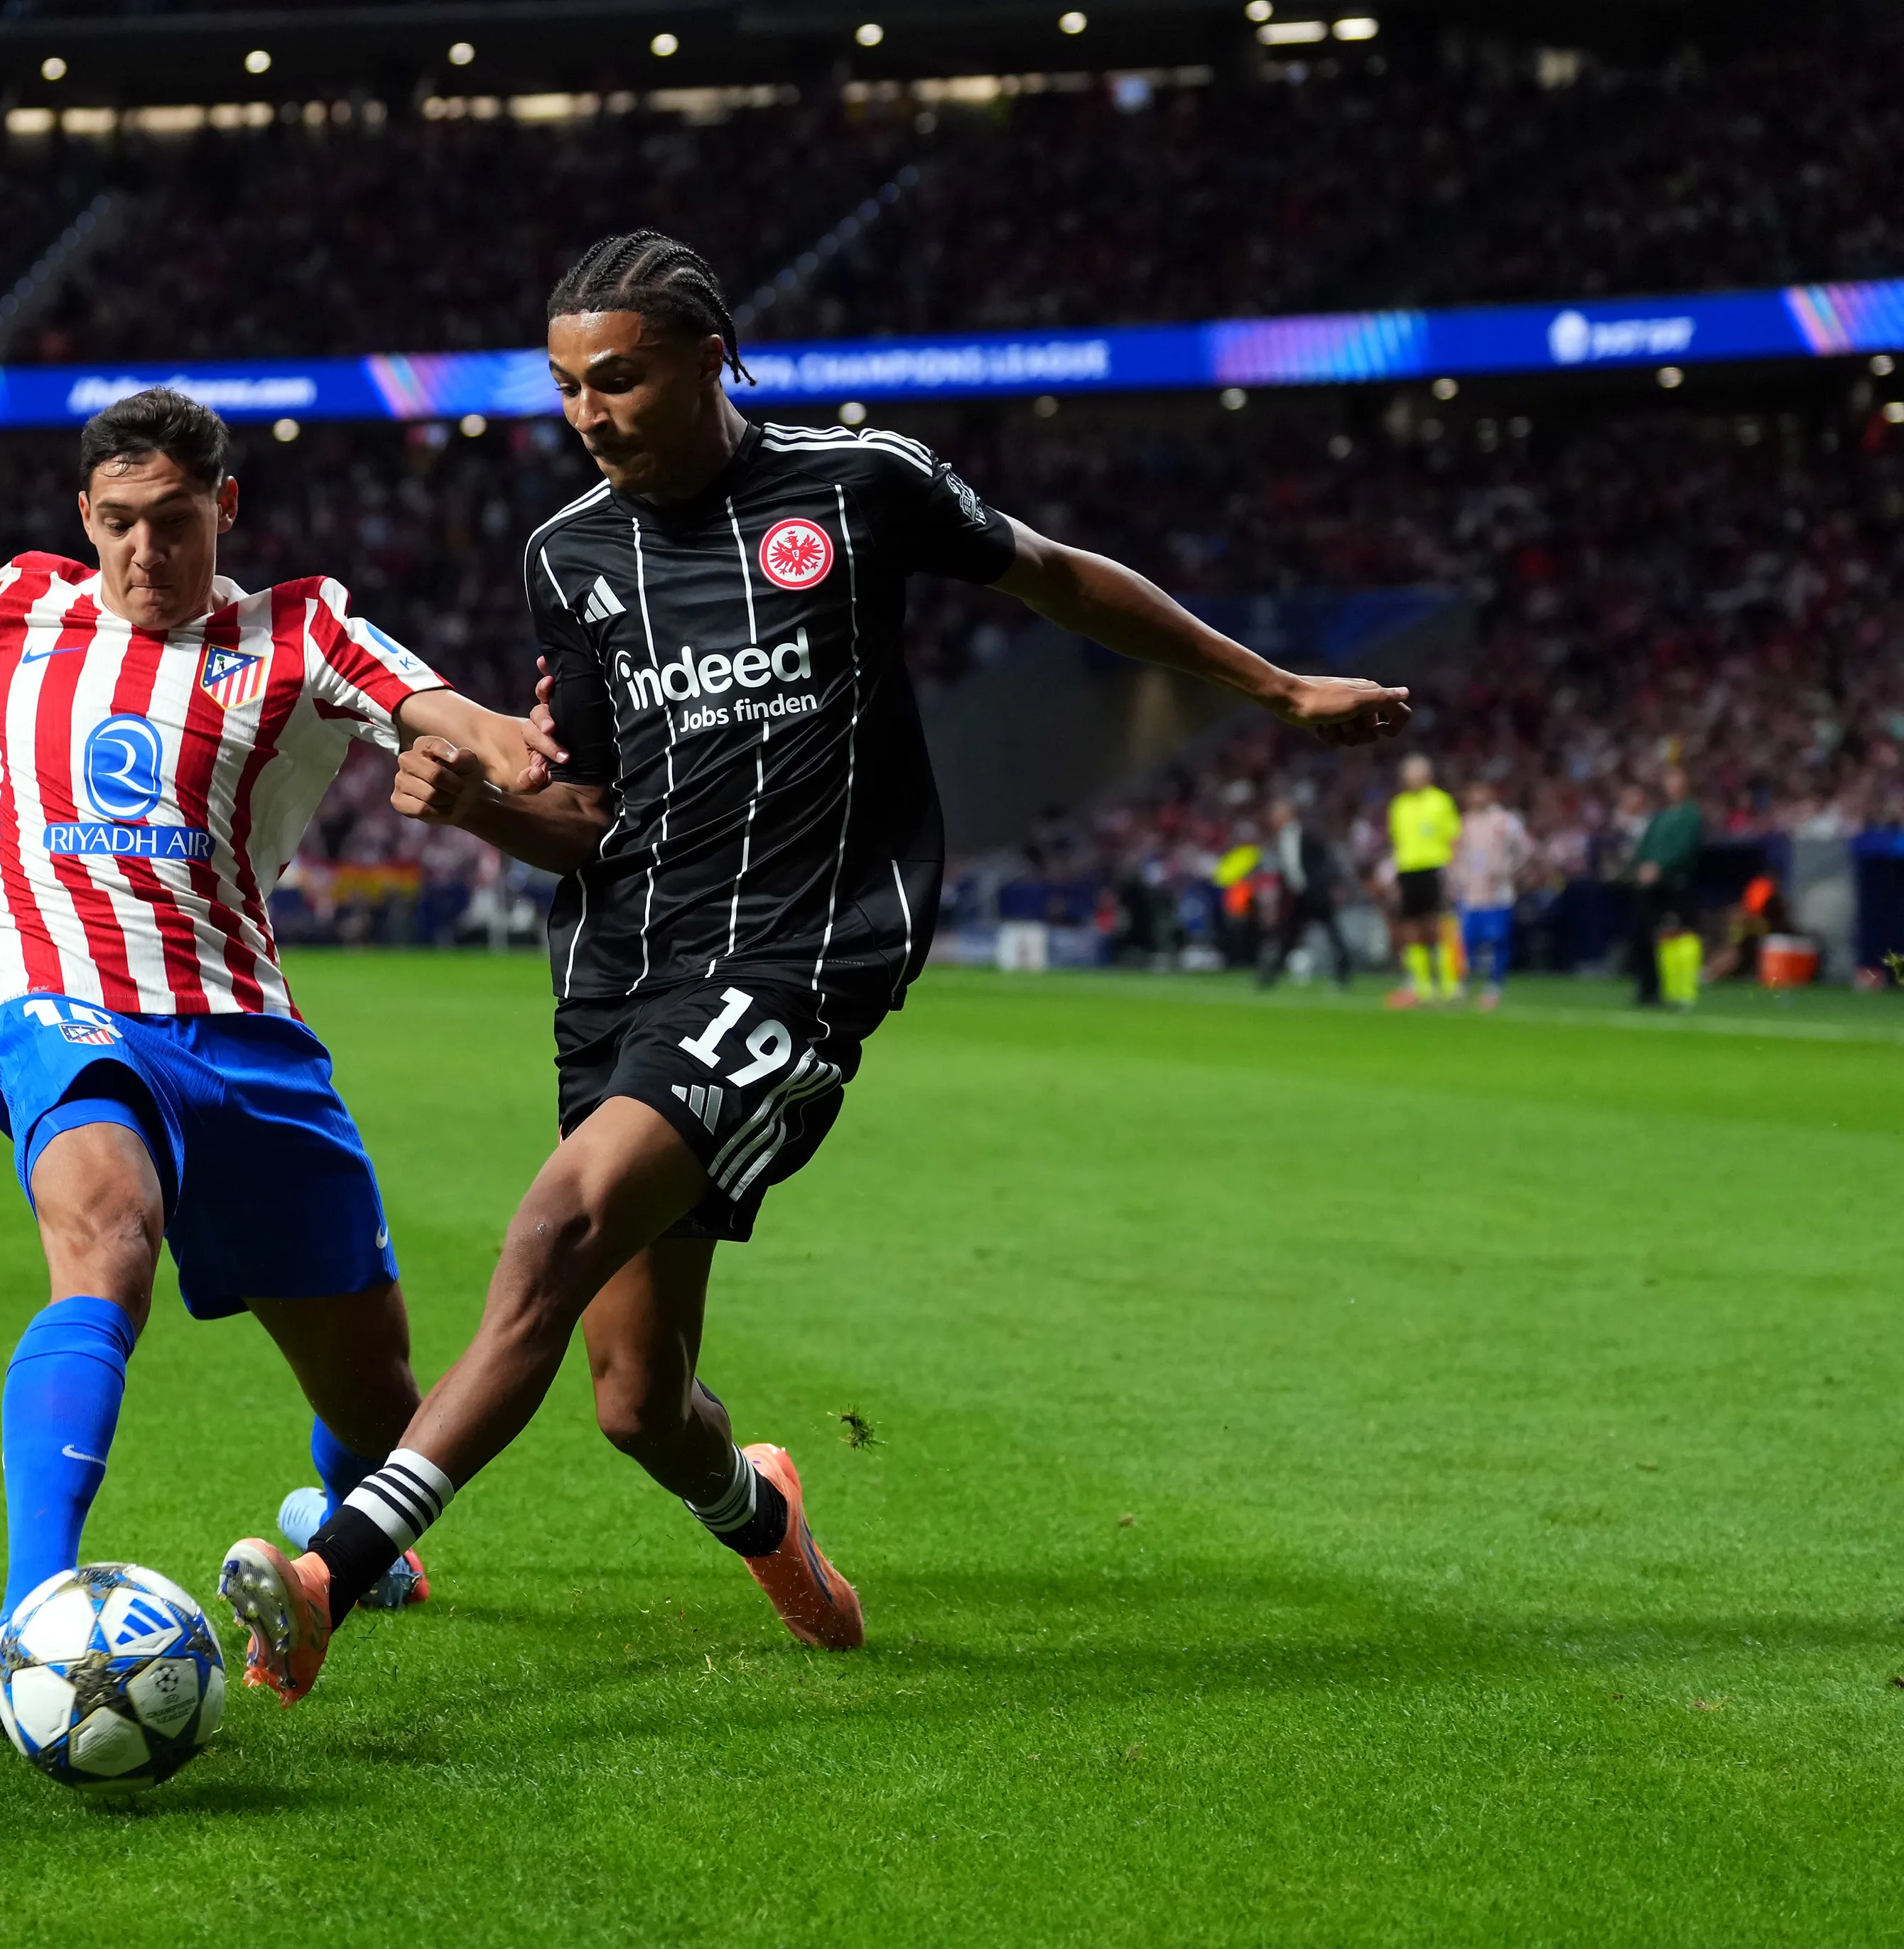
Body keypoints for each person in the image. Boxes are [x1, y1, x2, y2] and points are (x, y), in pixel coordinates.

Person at [215, 231, 1414, 1702]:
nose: (590, 414)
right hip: (620, 973)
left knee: (550, 1232)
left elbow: (1056, 579)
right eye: (568, 389)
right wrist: (480, 808)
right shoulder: (566, 558)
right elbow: (589, 819)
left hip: (799, 960)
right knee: (638, 1402)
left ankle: (332, 1570)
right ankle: (768, 1518)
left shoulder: (859, 486)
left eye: (622, 379)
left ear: (715, 357)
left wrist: (1278, 686)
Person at [0, 389, 562, 1713]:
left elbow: (429, 701)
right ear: (84, 518)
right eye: (117, 524)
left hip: (246, 1038)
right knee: (105, 1236)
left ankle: (354, 1539)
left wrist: (503, 743)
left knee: (379, 1404)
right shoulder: (14, 607)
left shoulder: (295, 628)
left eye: (172, 524)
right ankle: (31, 1623)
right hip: (64, 1008)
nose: (143, 552)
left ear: (222, 510)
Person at [1382, 752, 1461, 1009]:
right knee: (1411, 928)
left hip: (1434, 868)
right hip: (1408, 870)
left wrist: (1454, 870)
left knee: (1439, 925)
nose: (1412, 780)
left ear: (1428, 776)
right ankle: (1422, 985)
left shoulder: (1441, 802)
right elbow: (1397, 841)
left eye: (1417, 774)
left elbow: (1454, 838)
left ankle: (1450, 984)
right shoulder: (1399, 805)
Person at [1449, 778, 1534, 1010]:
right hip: (1470, 891)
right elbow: (1455, 853)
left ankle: (1493, 987)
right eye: (1473, 793)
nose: (1477, 798)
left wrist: (1510, 870)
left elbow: (1526, 848)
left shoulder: (1505, 821)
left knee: (1498, 939)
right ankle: (1462, 984)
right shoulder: (1463, 822)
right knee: (1466, 941)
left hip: (1498, 892)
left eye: (1481, 793)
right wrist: (1456, 878)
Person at [1257, 794, 1353, 991]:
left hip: (1316, 893)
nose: (1273, 818)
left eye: (1277, 814)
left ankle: (1343, 975)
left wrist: (1331, 885)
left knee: (1333, 935)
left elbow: (1326, 860)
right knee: (1288, 935)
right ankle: (1270, 976)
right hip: (1298, 895)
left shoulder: (1307, 834)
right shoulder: (1280, 838)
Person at [1628, 765, 1703, 1008]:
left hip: (1674, 884)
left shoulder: (1690, 815)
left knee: (1673, 936)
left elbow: (1685, 848)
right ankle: (1647, 986)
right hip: (1651, 886)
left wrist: (1660, 867)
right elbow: (1645, 846)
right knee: (1644, 934)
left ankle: (1674, 989)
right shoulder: (1660, 816)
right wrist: (1642, 865)